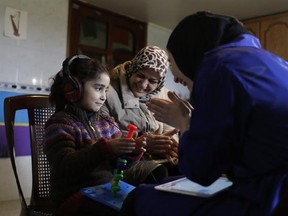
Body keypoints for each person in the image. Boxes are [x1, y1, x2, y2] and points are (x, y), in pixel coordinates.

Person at [120, 11, 288, 216]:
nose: (175, 76)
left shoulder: (218, 66)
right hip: (269, 181)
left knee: (139, 199)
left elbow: (201, 171)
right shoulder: (269, 60)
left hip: (272, 196)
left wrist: (184, 122)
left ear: (187, 51)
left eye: (172, 62)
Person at [43, 55, 147, 216]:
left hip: (105, 191)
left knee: (144, 202)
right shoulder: (59, 124)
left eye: (106, 90)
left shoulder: (106, 122)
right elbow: (64, 166)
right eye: (98, 88)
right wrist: (104, 149)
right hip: (72, 197)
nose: (104, 97)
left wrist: (132, 151)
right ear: (73, 89)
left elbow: (120, 166)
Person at [101, 46, 180, 184]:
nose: (144, 85)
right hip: (121, 165)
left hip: (156, 159)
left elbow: (170, 129)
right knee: (158, 174)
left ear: (159, 83)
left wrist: (168, 146)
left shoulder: (162, 94)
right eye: (140, 76)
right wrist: (143, 144)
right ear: (132, 69)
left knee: (184, 169)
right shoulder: (107, 93)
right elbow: (103, 139)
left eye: (152, 81)